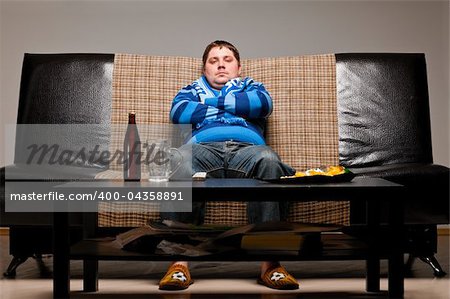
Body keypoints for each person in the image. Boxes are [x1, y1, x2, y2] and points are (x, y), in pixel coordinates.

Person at [158, 40, 299, 291]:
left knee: (270, 161)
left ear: (238, 67)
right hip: (202, 150)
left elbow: (263, 104)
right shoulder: (191, 88)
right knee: (178, 161)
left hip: (248, 151)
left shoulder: (250, 85)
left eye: (227, 60)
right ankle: (178, 263)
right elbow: (179, 112)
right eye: (213, 61)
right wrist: (236, 106)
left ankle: (270, 265)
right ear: (204, 69)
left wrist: (211, 103)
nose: (221, 65)